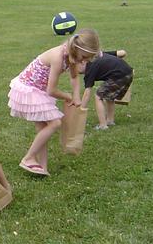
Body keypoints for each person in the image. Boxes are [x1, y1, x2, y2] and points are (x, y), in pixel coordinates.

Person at [8, 29, 100, 176]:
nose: (84, 61)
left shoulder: (72, 56)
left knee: (42, 128)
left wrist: (76, 96)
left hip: (39, 90)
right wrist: (67, 96)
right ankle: (28, 158)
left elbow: (74, 77)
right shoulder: (58, 56)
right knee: (55, 123)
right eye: (84, 57)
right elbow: (51, 90)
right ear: (76, 48)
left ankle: (42, 167)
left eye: (87, 59)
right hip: (29, 89)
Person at [80, 51, 133, 130]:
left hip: (119, 76)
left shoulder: (89, 68)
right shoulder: (97, 54)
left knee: (98, 95)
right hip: (128, 72)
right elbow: (122, 53)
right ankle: (110, 121)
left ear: (83, 61)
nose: (75, 72)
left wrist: (80, 111)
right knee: (109, 96)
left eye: (74, 67)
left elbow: (87, 93)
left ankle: (103, 125)